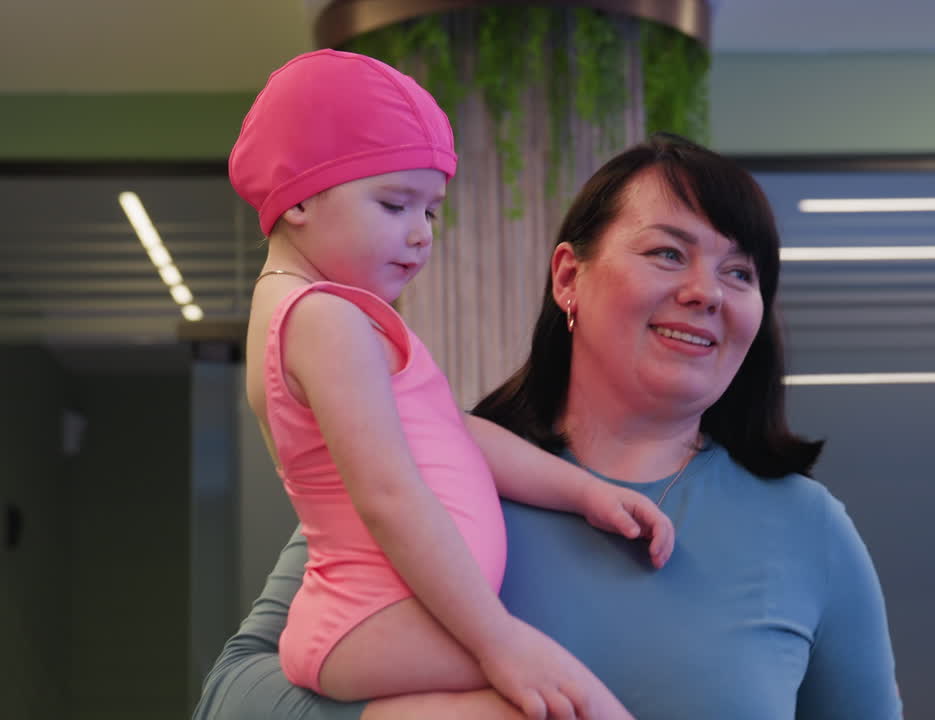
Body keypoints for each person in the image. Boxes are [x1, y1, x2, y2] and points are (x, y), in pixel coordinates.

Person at [197, 132, 904, 719]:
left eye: (741, 273)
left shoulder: (809, 529)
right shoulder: (427, 462)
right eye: (668, 253)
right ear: (569, 278)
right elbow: (230, 697)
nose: (706, 292)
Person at [230, 49, 676, 720]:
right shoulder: (323, 320)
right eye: (394, 204)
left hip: (377, 616)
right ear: (297, 197)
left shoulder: (330, 316)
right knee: (577, 699)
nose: (420, 235)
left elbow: (452, 435)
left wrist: (585, 492)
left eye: (431, 213)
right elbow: (389, 497)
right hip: (373, 617)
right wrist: (498, 640)